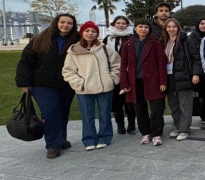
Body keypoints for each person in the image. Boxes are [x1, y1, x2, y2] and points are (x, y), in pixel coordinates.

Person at [15, 13, 80, 159]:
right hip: (42, 84)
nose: (65, 25)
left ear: (73, 25)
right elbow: (26, 60)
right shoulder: (42, 39)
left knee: (63, 111)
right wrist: (24, 82)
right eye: (63, 22)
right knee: (50, 112)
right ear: (56, 23)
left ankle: (61, 139)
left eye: (69, 23)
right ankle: (52, 145)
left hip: (66, 83)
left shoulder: (77, 40)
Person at [62, 21, 121, 150]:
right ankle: (89, 139)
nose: (90, 33)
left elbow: (117, 65)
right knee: (87, 115)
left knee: (105, 114)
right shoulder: (74, 51)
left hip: (104, 87)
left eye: (93, 31)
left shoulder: (105, 49)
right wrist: (79, 83)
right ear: (82, 33)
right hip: (84, 89)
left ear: (97, 34)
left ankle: (105, 137)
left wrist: (111, 80)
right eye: (87, 31)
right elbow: (68, 71)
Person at [120, 19, 167, 146]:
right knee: (140, 109)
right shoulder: (127, 44)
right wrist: (124, 84)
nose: (143, 29)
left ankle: (156, 133)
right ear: (135, 28)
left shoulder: (155, 43)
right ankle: (145, 133)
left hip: (153, 81)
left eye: (146, 27)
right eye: (140, 27)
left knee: (157, 109)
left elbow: (161, 63)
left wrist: (163, 81)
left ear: (149, 29)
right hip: (135, 82)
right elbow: (123, 65)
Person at [163, 18, 203, 141]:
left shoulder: (186, 40)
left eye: (174, 26)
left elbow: (196, 58)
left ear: (178, 27)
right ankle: (178, 127)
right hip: (169, 77)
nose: (171, 29)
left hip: (184, 76)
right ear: (165, 29)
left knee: (185, 105)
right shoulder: (163, 41)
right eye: (169, 27)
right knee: (173, 105)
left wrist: (196, 74)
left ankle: (184, 129)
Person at [103, 15, 135, 134]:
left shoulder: (132, 38)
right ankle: (120, 125)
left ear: (127, 25)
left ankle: (131, 123)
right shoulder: (107, 38)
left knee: (130, 100)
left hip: (129, 73)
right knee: (116, 101)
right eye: (118, 23)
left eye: (123, 23)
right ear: (114, 24)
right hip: (114, 72)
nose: (121, 25)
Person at [188, 18, 205, 124]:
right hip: (198, 70)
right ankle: (203, 115)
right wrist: (195, 72)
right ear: (198, 25)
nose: (204, 26)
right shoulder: (192, 37)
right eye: (202, 24)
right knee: (202, 94)